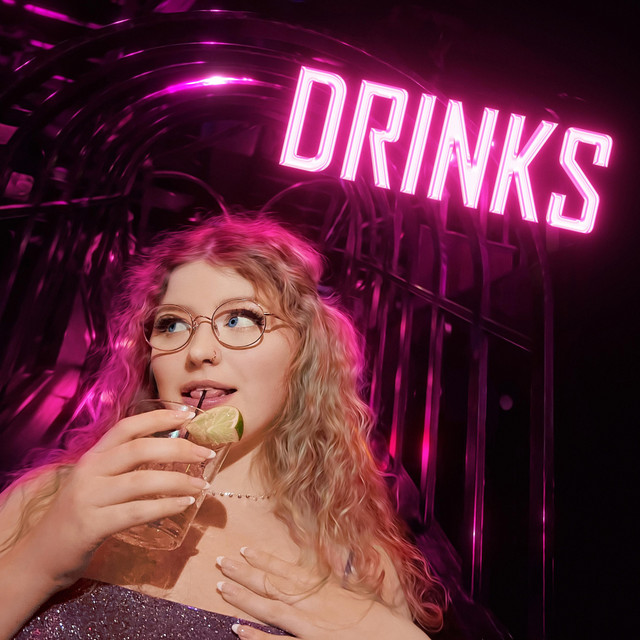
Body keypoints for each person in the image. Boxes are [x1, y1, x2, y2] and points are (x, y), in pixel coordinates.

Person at [0, 214, 446, 639]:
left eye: (239, 320)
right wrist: (37, 563)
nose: (198, 352)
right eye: (172, 324)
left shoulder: (359, 564)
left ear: (304, 351)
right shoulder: (49, 499)